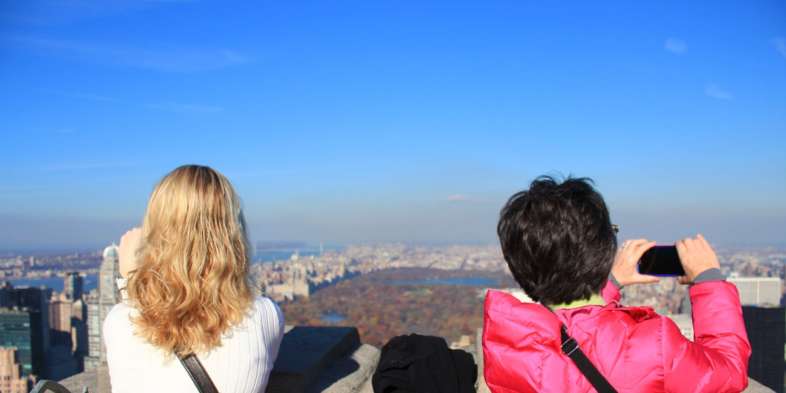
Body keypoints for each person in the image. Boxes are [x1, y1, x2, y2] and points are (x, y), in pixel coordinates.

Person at [483, 176, 751, 393]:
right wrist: (709, 282)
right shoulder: (652, 345)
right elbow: (729, 371)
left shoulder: (507, 344)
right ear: (602, 248)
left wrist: (609, 285)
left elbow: (577, 335)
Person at [104, 165, 285, 393]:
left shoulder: (120, 322)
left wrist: (129, 279)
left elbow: (145, 354)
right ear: (232, 232)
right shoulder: (265, 315)